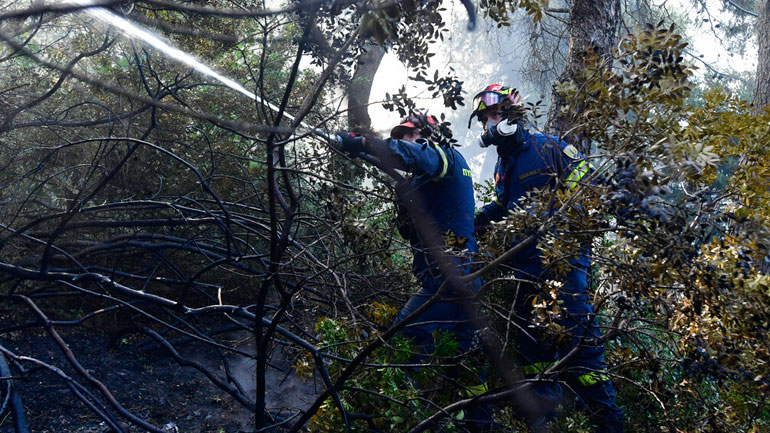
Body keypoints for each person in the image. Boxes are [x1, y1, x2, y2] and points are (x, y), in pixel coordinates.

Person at [469, 84, 624, 432]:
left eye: (494, 115)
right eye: (485, 119)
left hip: (563, 268)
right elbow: (505, 209)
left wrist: (564, 231)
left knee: (584, 355)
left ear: (512, 115)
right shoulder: (502, 166)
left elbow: (592, 189)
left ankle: (610, 425)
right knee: (534, 357)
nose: (489, 124)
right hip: (526, 273)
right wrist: (472, 220)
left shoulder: (549, 148)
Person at [335, 113, 493, 431]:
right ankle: (481, 426)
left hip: (447, 281)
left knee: (400, 343)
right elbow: (411, 230)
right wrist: (361, 153)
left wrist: (361, 141)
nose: (404, 140)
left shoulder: (441, 155)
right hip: (462, 279)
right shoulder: (432, 175)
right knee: (462, 365)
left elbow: (407, 154)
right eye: (401, 135)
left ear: (425, 135)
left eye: (408, 134)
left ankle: (395, 421)